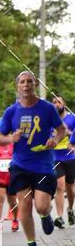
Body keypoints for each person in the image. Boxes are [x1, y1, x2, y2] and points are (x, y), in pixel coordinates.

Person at [0, 71, 66, 246]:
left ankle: (45, 215)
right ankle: (31, 245)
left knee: (42, 205)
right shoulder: (11, 111)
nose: (26, 85)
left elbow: (62, 130)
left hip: (43, 165)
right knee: (24, 204)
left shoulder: (47, 109)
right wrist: (11, 137)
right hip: (20, 165)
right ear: (17, 86)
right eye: (22, 82)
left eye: (29, 81)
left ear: (35, 84)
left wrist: (55, 139)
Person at [51, 95, 75, 227]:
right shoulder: (50, 121)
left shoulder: (72, 118)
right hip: (56, 157)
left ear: (64, 104)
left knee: (70, 188)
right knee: (59, 186)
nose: (56, 104)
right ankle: (59, 217)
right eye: (54, 102)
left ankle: (70, 209)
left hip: (71, 156)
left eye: (58, 101)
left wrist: (68, 132)